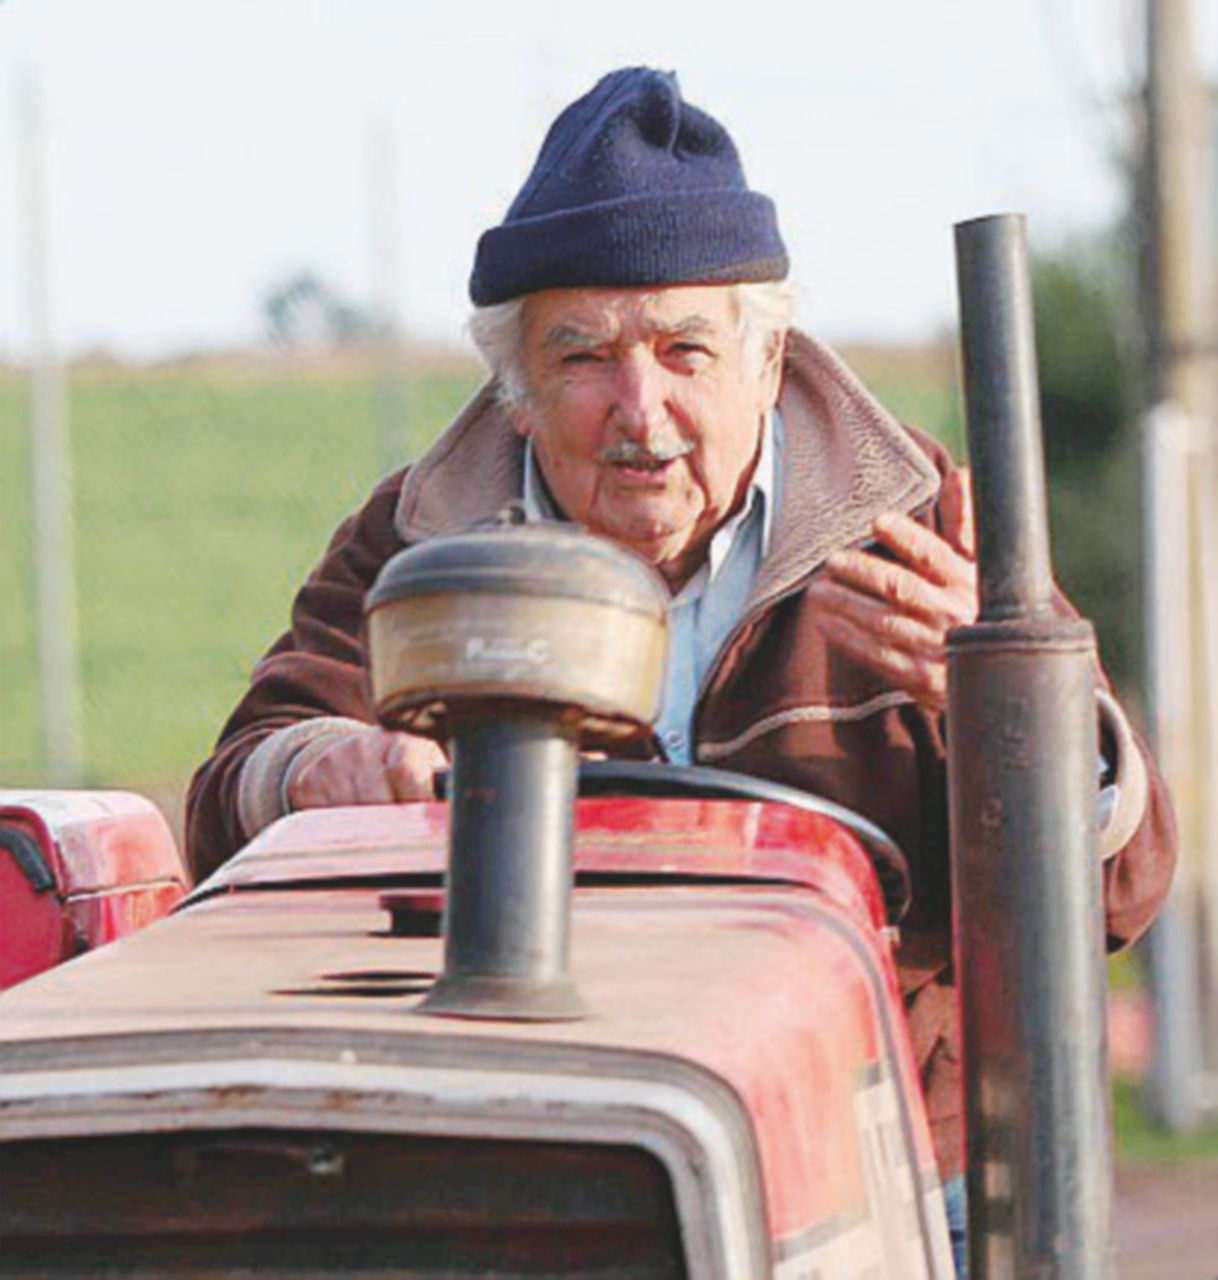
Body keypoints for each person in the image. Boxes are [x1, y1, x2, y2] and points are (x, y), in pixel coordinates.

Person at [186, 67, 1174, 1275]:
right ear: (516, 386)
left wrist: (1021, 713)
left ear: (768, 359)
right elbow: (228, 794)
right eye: (586, 354)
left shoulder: (923, 527)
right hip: (539, 1158)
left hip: (887, 1162)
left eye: (684, 348)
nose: (639, 407)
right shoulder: (418, 543)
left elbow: (1126, 889)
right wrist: (318, 769)